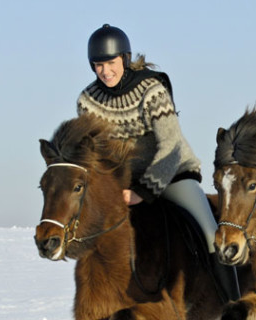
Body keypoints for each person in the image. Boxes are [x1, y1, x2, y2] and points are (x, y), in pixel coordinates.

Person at [76, 24, 239, 303]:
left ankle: (234, 309)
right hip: (124, 184)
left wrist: (144, 191)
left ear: (124, 59)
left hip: (172, 173)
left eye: (111, 63)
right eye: (98, 65)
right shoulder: (87, 101)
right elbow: (93, 155)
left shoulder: (151, 91)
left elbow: (171, 146)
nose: (105, 71)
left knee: (210, 234)